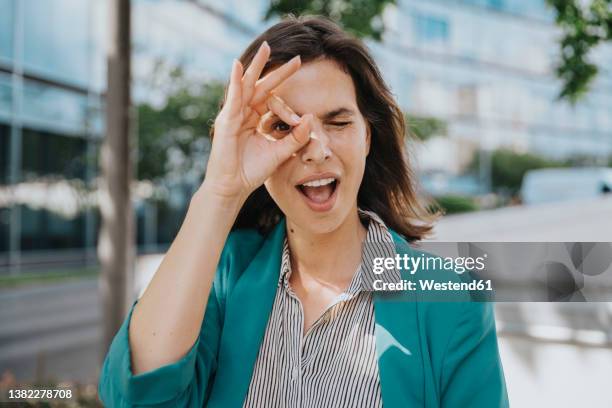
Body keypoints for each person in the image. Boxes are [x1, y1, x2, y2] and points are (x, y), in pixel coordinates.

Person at [98, 15, 509, 408]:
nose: (316, 149)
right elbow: (139, 396)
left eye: (338, 122)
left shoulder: (453, 300)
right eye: (283, 127)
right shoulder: (226, 274)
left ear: (368, 135)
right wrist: (221, 191)